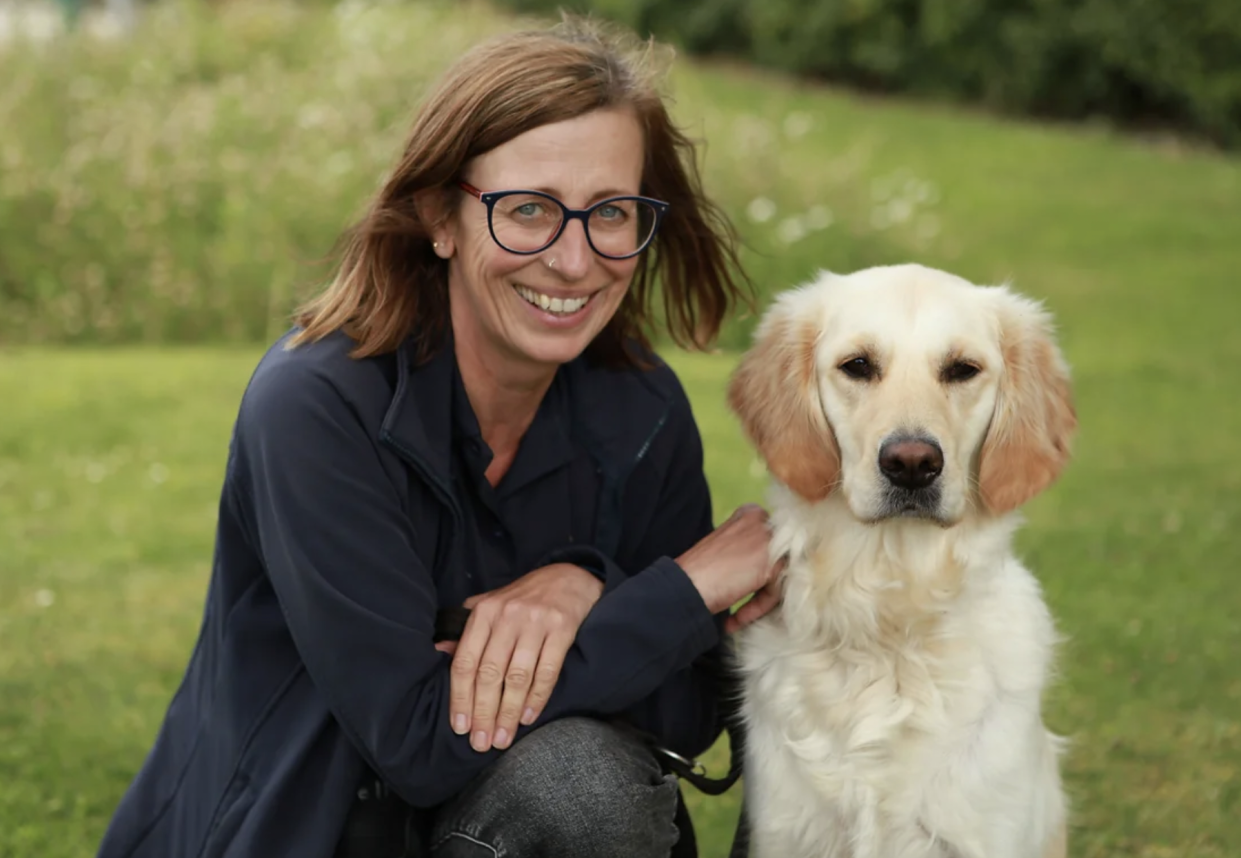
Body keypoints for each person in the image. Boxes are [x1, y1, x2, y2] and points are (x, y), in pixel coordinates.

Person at [95, 14, 784, 858]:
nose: (574, 262)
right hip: (312, 836)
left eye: (610, 212)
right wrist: (679, 589)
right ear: (438, 216)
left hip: (493, 827)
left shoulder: (640, 408)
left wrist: (587, 587)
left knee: (595, 779)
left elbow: (681, 712)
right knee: (575, 786)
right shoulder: (315, 405)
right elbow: (420, 741)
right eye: (527, 210)